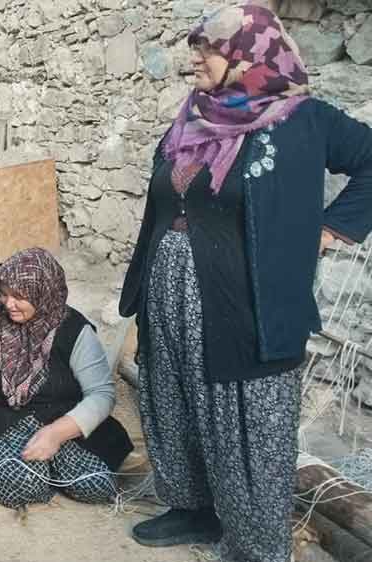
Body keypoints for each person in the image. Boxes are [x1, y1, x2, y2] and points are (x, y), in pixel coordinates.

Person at [118, 5, 372, 561]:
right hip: (170, 294)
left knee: (245, 422)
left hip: (248, 303)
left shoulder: (303, 118)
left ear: (246, 56)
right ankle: (192, 509)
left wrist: (331, 228)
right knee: (174, 400)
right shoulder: (193, 115)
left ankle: (256, 542)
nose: (195, 57)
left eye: (207, 47)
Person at [0, 248, 133, 509]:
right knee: (20, 484)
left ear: (44, 292)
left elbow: (102, 394)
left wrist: (57, 434)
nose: (8, 304)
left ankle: (54, 462)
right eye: (4, 293)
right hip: (3, 420)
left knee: (93, 483)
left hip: (62, 419)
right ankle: (40, 471)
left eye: (19, 296)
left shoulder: (74, 330)